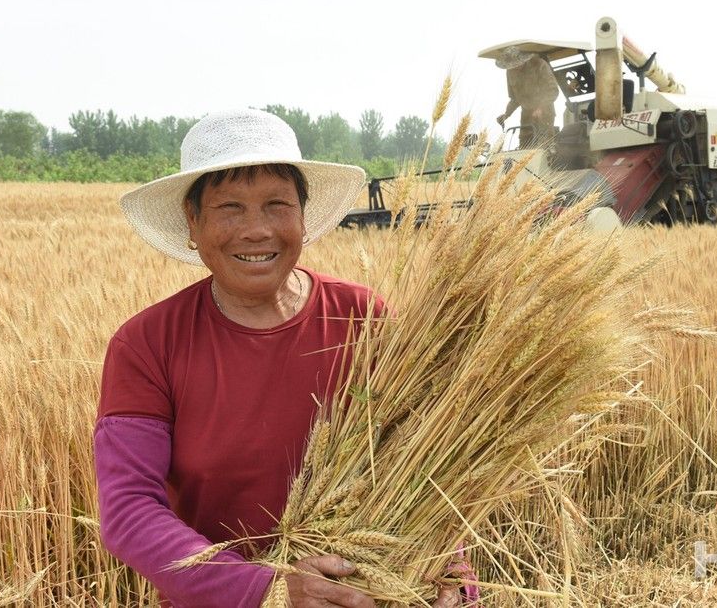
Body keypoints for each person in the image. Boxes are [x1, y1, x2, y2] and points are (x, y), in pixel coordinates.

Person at [94, 109, 474, 607]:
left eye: (277, 205)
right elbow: (129, 513)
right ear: (193, 221)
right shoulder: (147, 345)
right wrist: (266, 591)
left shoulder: (365, 320)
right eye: (230, 207)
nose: (256, 230)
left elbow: (432, 467)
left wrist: (453, 576)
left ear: (303, 215)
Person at [494, 46, 560, 149]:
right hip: (526, 114)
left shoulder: (539, 65)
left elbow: (553, 91)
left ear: (523, 60)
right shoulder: (510, 72)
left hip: (545, 112)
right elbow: (514, 99)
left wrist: (540, 108)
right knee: (524, 146)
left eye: (515, 64)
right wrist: (506, 114)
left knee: (544, 146)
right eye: (511, 66)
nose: (514, 68)